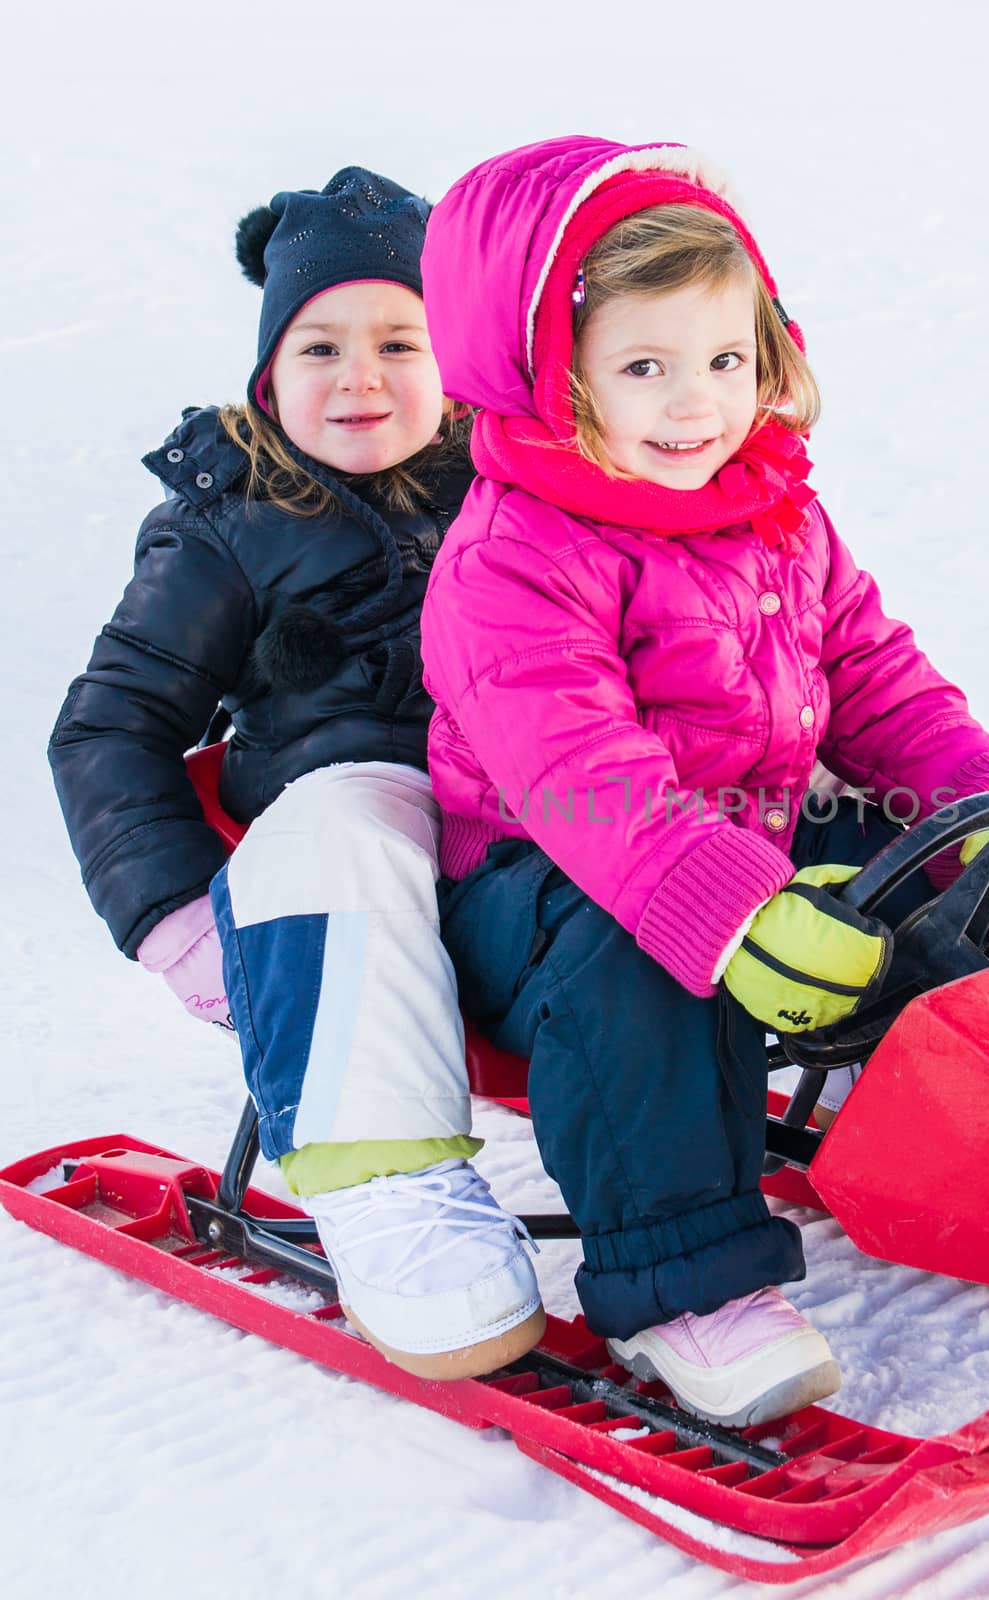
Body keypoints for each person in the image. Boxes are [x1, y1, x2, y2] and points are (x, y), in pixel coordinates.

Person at [416, 136, 989, 1429]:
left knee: (952, 857)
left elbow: (877, 678)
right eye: (643, 368)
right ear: (541, 378)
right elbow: (582, 781)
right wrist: (724, 907)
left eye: (725, 361)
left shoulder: (773, 507)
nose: (695, 405)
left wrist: (984, 795)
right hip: (535, 885)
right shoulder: (512, 558)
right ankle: (686, 1281)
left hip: (740, 833)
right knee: (638, 957)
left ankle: (980, 1136)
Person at [48, 167, 545, 1383]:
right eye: (319, 344)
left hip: (520, 815)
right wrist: (173, 920)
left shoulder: (519, 480)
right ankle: (384, 1181)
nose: (359, 375)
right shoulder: (226, 523)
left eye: (398, 339)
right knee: (352, 816)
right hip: (346, 835)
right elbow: (107, 726)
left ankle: (850, 1022)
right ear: (271, 373)